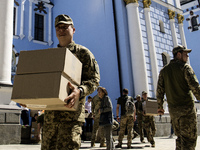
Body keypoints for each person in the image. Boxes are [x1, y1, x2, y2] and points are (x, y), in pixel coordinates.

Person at [41, 14, 100, 150]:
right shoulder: (50, 55)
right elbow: (44, 81)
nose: (61, 30)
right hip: (50, 119)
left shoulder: (83, 53)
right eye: (58, 27)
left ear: (73, 30)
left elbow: (94, 80)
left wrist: (80, 91)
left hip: (71, 119)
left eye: (65, 26)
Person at [156, 45, 200, 150]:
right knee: (189, 140)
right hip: (187, 110)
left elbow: (159, 90)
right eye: (186, 54)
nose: (187, 56)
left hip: (173, 111)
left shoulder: (164, 71)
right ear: (179, 55)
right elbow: (195, 87)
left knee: (180, 139)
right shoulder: (185, 67)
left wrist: (160, 107)